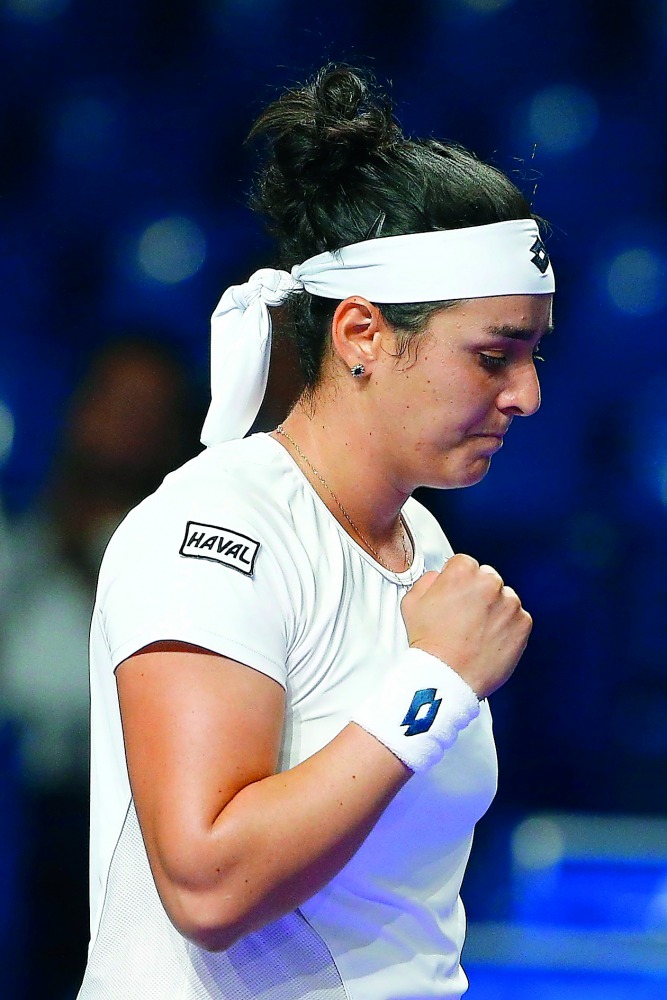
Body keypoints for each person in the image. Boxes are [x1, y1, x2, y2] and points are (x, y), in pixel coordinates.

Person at [77, 65, 554, 1000]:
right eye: (493, 355)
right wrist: (433, 683)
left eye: (535, 354)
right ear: (362, 334)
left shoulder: (428, 547)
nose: (526, 395)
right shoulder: (212, 527)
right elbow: (208, 885)